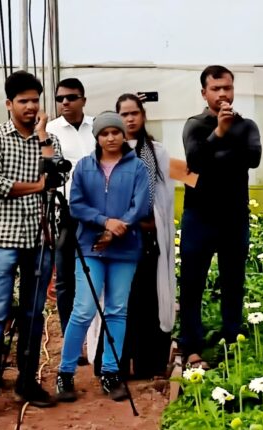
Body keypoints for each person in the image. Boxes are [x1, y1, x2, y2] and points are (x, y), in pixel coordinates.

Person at [0, 70, 64, 419]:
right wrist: (39, 185)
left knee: (33, 314)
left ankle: (27, 381)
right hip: (3, 239)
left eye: (35, 101)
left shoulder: (47, 138)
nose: (30, 107)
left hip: (39, 238)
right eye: (23, 101)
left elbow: (57, 174)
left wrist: (41, 137)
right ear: (9, 104)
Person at [54, 112, 150, 402]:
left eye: (115, 132)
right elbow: (76, 205)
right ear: (96, 137)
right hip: (90, 247)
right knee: (83, 309)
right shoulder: (84, 167)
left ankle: (111, 372)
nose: (111, 138)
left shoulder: (138, 168)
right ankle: (65, 372)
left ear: (124, 135)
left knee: (117, 309)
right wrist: (104, 222)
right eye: (104, 133)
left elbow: (141, 204)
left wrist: (118, 228)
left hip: (125, 249)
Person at [180, 65, 261, 369]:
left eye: (227, 88)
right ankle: (191, 346)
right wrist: (220, 134)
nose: (223, 94)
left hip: (234, 217)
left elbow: (252, 158)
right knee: (192, 284)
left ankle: (231, 341)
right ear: (204, 93)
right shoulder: (195, 125)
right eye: (216, 89)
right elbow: (195, 161)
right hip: (199, 217)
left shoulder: (248, 125)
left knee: (233, 282)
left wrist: (215, 151)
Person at [113, 93, 176, 379]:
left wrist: (152, 222)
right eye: (124, 114)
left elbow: (164, 198)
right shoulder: (109, 149)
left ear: (143, 115)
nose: (129, 119)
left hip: (148, 237)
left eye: (134, 113)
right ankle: (119, 364)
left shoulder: (158, 152)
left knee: (147, 299)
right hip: (120, 238)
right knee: (122, 300)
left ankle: (148, 364)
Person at [46, 78, 94, 344]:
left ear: (83, 100)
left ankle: (97, 337)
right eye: (60, 98)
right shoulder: (51, 131)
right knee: (65, 278)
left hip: (98, 211)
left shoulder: (98, 127)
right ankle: (71, 336)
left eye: (71, 97)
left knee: (95, 272)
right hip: (66, 212)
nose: (65, 102)